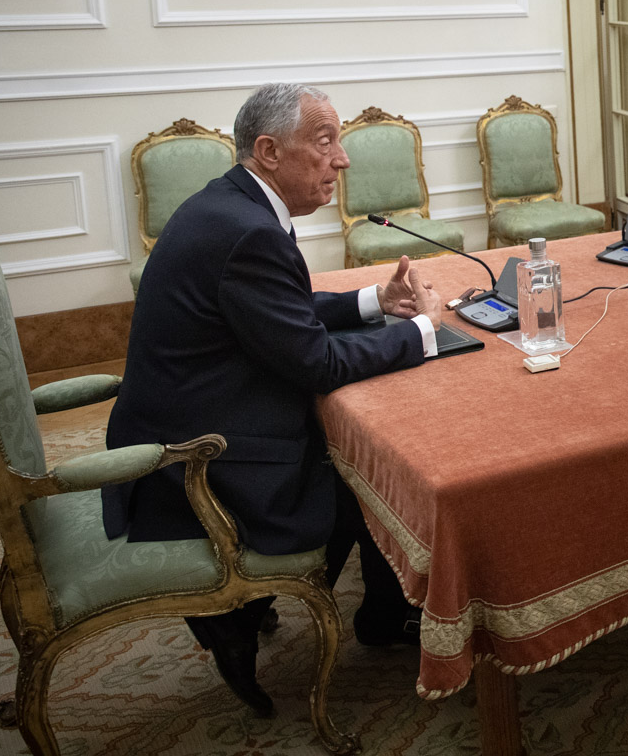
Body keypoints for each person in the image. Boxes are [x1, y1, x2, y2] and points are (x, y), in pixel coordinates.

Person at [103, 83, 446, 717]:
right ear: (268, 151)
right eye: (325, 142)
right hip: (193, 459)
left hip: (183, 414)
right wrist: (423, 331)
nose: (342, 158)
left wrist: (374, 301)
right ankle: (250, 614)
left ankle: (367, 608)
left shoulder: (231, 204)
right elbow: (317, 362)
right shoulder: (247, 231)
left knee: (355, 444)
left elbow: (276, 311)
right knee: (369, 468)